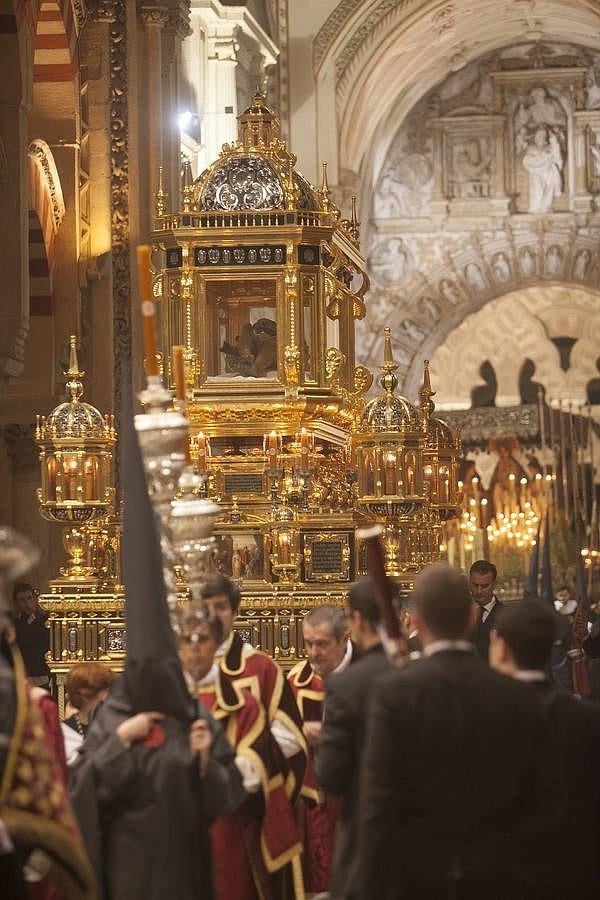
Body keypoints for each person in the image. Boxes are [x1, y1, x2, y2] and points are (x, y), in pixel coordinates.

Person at [358, 564, 542, 900]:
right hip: (495, 871)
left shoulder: (393, 693)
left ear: (419, 622)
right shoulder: (514, 694)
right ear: (472, 618)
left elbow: (378, 801)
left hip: (416, 872)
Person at [182, 615, 304, 900]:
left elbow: (259, 765)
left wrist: (212, 768)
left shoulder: (244, 705)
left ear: (217, 645)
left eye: (203, 640)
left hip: (229, 827)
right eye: (187, 641)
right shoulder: (162, 701)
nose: (195, 649)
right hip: (175, 828)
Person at [489, 600, 600, 897]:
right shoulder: (588, 719)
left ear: (500, 648)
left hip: (502, 877)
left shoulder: (481, 719)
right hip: (574, 875)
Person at [200, 574, 306, 798]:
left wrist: (243, 769)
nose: (212, 616)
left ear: (235, 613)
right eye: (205, 608)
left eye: (221, 607)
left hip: (250, 792)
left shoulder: (262, 668)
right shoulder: (181, 670)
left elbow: (289, 735)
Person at [314, 579, 389, 900]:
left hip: (364, 826)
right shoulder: (417, 671)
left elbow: (329, 776)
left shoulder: (346, 685)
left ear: (355, 621)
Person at [287, 605, 354, 894]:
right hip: (313, 801)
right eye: (308, 643)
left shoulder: (370, 672)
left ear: (345, 638)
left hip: (357, 799)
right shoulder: (295, 681)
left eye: (322, 644)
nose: (313, 653)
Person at [61, 662, 116, 765]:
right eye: (105, 690)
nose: (110, 695)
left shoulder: (115, 726)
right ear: (85, 694)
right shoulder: (63, 732)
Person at [13, 583, 50, 689]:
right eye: (22, 600)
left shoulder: (45, 621)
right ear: (16, 603)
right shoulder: (14, 624)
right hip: (22, 677)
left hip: (43, 675)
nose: (27, 603)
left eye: (29, 598)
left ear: (35, 599)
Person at [469, 559, 503, 661]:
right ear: (469, 582)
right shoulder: (459, 614)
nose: (479, 591)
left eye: (484, 586)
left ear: (494, 584)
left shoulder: (506, 617)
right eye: (475, 585)